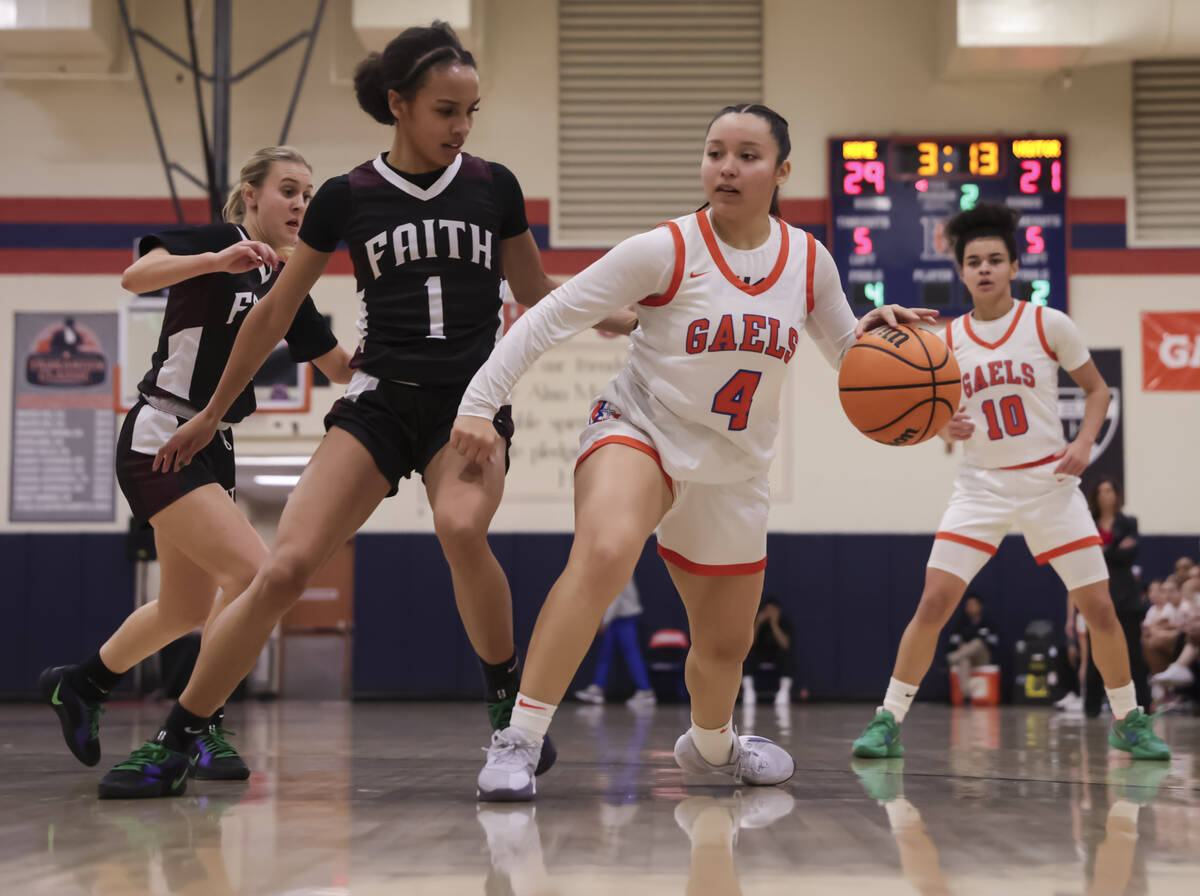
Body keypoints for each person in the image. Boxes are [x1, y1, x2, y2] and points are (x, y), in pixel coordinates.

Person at [94, 21, 637, 800]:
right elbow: (275, 311)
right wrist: (212, 411)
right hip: (377, 399)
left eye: (470, 111)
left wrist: (619, 315)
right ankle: (177, 737)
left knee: (458, 526)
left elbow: (535, 291)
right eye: (446, 109)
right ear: (399, 104)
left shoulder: (495, 186)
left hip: (468, 404)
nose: (461, 126)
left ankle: (506, 702)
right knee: (281, 568)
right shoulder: (348, 196)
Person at [452, 102, 938, 801]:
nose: (728, 168)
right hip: (639, 427)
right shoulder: (666, 249)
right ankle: (519, 740)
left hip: (733, 469)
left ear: (782, 172)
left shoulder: (808, 260)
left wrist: (878, 335)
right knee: (605, 551)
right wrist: (478, 401)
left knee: (723, 646)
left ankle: (712, 747)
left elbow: (846, 356)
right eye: (715, 153)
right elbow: (552, 316)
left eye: (746, 155)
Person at [39, 146, 352, 785]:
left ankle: (82, 683)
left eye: (309, 195)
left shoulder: (291, 282)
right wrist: (216, 260)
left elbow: (339, 368)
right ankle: (194, 726)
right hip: (162, 432)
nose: (300, 204)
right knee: (254, 573)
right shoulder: (217, 241)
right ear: (251, 195)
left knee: (183, 608)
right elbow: (135, 277)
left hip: (216, 445)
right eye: (289, 190)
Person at [851, 203, 1170, 761]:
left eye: (995, 259)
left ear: (1014, 265)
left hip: (1050, 488)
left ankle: (1129, 718)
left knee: (1100, 610)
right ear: (961, 270)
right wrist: (944, 426)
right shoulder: (946, 340)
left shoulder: (1048, 324)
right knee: (933, 604)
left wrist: (1084, 444)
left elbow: (1098, 391)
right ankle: (888, 720)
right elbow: (937, 424)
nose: (984, 269)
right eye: (973, 261)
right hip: (981, 488)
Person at [1080, 476, 1151, 715]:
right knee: (1095, 655)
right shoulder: (1088, 522)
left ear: (1116, 495)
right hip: (1099, 594)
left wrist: (1104, 551)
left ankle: (1141, 705)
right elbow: (1088, 558)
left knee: (1133, 654)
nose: (1105, 495)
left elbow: (1129, 554)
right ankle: (1091, 708)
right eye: (1100, 491)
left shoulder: (1128, 522)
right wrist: (1114, 549)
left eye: (1109, 490)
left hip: (1127, 598)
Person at [574, 577, 657, 708]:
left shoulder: (620, 566)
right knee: (605, 654)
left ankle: (646, 691)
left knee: (632, 654)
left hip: (624, 618)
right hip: (617, 618)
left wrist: (604, 621)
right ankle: (598, 688)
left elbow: (615, 597)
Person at [741, 595, 794, 707]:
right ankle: (748, 690)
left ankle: (783, 692)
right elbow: (749, 643)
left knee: (787, 656)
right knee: (746, 655)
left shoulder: (783, 622)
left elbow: (785, 645)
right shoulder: (757, 621)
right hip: (759, 653)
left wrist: (774, 625)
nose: (770, 613)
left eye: (773, 610)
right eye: (767, 610)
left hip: (776, 654)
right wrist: (758, 623)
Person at [945, 592, 999, 703]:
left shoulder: (987, 622)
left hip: (983, 657)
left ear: (980, 606)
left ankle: (950, 658)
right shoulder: (961, 623)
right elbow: (953, 640)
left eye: (974, 605)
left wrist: (983, 640)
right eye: (969, 605)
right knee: (964, 660)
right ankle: (967, 696)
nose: (972, 608)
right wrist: (961, 644)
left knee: (978, 642)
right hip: (966, 655)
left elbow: (995, 642)